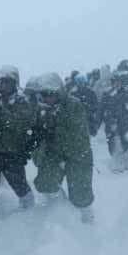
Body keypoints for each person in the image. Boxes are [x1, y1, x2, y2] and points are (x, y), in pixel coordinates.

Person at [29, 73, 95, 223]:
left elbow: (78, 135)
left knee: (80, 193)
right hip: (54, 153)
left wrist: (52, 128)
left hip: (78, 154)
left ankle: (87, 219)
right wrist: (38, 149)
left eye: (50, 94)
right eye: (44, 94)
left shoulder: (74, 105)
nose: (47, 98)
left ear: (58, 92)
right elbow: (35, 134)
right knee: (45, 183)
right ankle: (59, 212)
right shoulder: (41, 109)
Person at [0, 66, 37, 213]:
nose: (4, 85)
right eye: (2, 82)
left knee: (20, 185)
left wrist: (0, 110)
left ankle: (30, 212)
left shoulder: (22, 102)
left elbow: (19, 125)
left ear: (15, 83)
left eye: (8, 82)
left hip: (12, 152)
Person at [100, 68, 128, 172]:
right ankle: (116, 164)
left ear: (121, 83)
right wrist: (97, 123)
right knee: (112, 145)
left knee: (124, 145)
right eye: (115, 82)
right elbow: (100, 110)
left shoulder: (127, 93)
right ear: (112, 83)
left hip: (124, 124)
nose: (117, 84)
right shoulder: (107, 95)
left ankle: (125, 165)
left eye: (119, 82)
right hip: (111, 125)